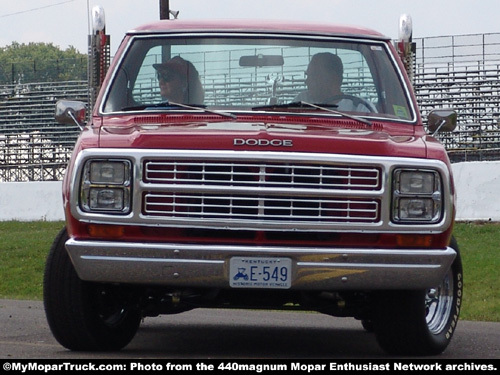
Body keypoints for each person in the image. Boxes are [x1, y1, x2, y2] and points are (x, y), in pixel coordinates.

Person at [295, 52, 375, 112]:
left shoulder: (360, 108)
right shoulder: (302, 100)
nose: (307, 81)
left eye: (313, 76)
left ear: (334, 79)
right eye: (308, 75)